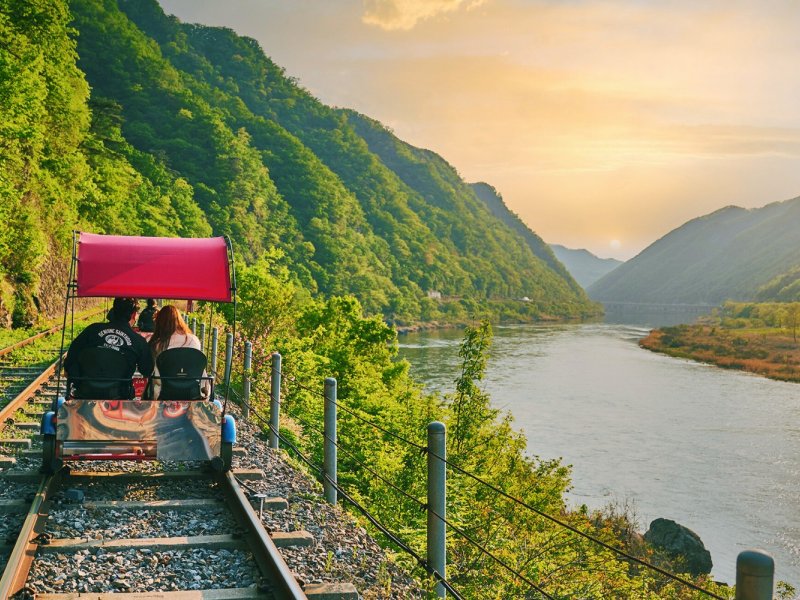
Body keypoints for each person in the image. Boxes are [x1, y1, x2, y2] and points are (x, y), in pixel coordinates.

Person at [64, 297, 154, 398]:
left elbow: (70, 358)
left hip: (86, 391)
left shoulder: (92, 330)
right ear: (133, 315)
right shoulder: (138, 341)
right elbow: (147, 370)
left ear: (113, 310)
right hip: (120, 395)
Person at [148, 305, 210, 399]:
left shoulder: (157, 344)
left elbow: (150, 369)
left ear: (159, 322)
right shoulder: (194, 340)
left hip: (165, 394)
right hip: (194, 392)